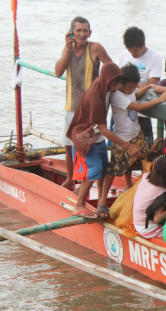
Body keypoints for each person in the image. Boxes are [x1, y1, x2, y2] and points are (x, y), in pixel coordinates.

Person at [96, 64, 166, 218]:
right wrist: (159, 100)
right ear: (121, 84)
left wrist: (148, 87)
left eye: (134, 86)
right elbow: (136, 107)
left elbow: (135, 96)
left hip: (136, 134)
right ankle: (102, 201)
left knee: (145, 161)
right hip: (123, 138)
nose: (132, 89)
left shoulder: (129, 91)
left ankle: (137, 189)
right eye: (130, 86)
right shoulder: (117, 95)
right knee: (114, 169)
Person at [55, 16, 112, 191]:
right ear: (71, 32)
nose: (82, 34)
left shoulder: (95, 48)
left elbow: (111, 68)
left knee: (89, 148)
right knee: (67, 145)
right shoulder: (69, 50)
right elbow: (58, 72)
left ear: (90, 32)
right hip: (71, 107)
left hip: (89, 111)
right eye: (78, 30)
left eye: (85, 30)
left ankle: (95, 186)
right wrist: (67, 48)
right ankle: (70, 179)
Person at [66, 63, 121, 218]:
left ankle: (101, 204)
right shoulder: (96, 98)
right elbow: (104, 129)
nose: (117, 87)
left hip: (95, 134)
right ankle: (79, 204)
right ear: (107, 81)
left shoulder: (102, 83)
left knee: (104, 166)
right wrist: (126, 145)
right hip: (84, 136)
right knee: (95, 168)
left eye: (118, 84)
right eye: (115, 84)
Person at [118, 26, 163, 148]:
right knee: (121, 147)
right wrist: (140, 85)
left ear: (143, 44)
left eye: (136, 51)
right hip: (123, 109)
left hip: (143, 111)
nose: (133, 54)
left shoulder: (154, 58)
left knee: (145, 147)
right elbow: (119, 81)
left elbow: (153, 83)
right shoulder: (124, 56)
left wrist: (134, 85)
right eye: (130, 51)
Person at [132, 154, 166, 238]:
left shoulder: (145, 176)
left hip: (137, 222)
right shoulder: (164, 190)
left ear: (154, 168)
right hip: (147, 228)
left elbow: (145, 164)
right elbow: (158, 218)